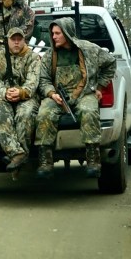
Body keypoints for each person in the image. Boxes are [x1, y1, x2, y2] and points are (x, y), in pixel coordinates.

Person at [34, 17, 116, 179]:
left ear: (67, 33)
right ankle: (45, 162)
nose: (54, 36)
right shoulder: (50, 55)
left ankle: (93, 160)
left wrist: (99, 86)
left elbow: (110, 63)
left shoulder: (88, 49)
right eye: (53, 33)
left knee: (89, 111)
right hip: (58, 96)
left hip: (84, 93)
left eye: (58, 33)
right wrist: (52, 93)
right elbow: (43, 80)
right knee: (44, 113)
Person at [0, 27, 41, 172]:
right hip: (4, 97)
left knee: (26, 113)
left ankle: (17, 159)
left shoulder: (33, 57)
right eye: (13, 39)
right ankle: (17, 153)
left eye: (19, 39)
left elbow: (33, 82)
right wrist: (5, 93)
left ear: (24, 40)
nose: (16, 42)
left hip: (26, 97)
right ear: (8, 41)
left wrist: (21, 92)